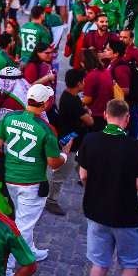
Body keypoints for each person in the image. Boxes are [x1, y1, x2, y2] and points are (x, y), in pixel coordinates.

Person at [76, 99, 138, 276]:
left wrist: (92, 190)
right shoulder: (136, 147)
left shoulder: (90, 140)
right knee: (130, 264)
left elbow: (83, 175)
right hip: (126, 215)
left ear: (105, 115)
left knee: (99, 264)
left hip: (96, 212)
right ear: (127, 118)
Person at [0, 83, 68, 265]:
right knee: (23, 225)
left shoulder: (9, 118)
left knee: (23, 219)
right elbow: (54, 163)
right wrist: (64, 154)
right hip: (32, 183)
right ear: (46, 103)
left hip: (9, 178)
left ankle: (29, 250)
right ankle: (7, 266)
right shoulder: (46, 129)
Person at [45, 68, 93, 216]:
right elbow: (90, 121)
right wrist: (87, 114)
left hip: (72, 140)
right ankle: (51, 200)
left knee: (81, 166)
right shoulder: (73, 101)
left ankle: (91, 192)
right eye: (83, 81)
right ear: (79, 83)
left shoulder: (68, 95)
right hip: (70, 143)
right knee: (61, 173)